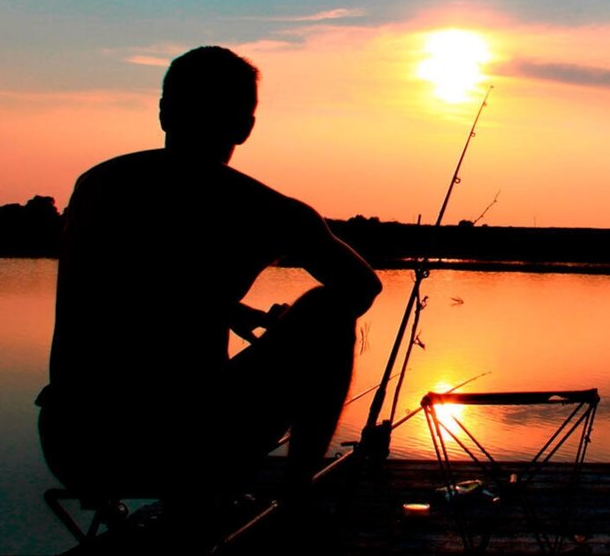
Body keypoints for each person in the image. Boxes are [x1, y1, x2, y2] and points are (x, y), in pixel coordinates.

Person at [37, 46, 381, 505]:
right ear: (245, 126)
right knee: (328, 312)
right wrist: (287, 330)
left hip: (76, 446)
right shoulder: (269, 211)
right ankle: (297, 498)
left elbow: (141, 286)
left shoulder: (98, 185)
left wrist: (222, 307)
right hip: (191, 445)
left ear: (164, 112)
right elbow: (362, 287)